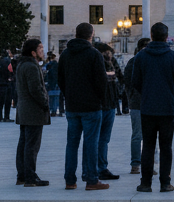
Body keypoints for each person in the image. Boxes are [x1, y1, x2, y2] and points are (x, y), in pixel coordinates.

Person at [130, 22, 174, 192]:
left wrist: (148, 91)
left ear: (152, 36)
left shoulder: (140, 56)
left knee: (148, 145)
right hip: (167, 107)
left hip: (147, 107)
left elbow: (135, 82)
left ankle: (146, 182)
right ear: (167, 37)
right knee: (166, 147)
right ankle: (165, 182)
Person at [58, 22, 109, 190]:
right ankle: (91, 179)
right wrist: (100, 100)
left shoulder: (65, 54)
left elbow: (61, 80)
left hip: (72, 106)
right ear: (91, 35)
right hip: (91, 106)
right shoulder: (94, 54)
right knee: (91, 143)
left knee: (71, 143)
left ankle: (70, 180)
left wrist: (69, 96)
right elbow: (101, 81)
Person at [14, 37, 51, 186]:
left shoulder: (22, 64)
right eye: (40, 48)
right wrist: (45, 103)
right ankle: (30, 176)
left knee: (24, 143)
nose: (43, 51)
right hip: (33, 111)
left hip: (25, 110)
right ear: (33, 52)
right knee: (32, 145)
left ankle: (22, 175)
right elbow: (35, 89)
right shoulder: (31, 66)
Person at [93, 43, 121, 182]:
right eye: (106, 53)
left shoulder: (112, 62)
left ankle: (101, 167)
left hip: (110, 104)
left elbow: (120, 77)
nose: (109, 56)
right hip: (99, 105)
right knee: (96, 139)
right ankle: (95, 169)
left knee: (104, 139)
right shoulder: (94, 62)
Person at [123, 38, 151, 175]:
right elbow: (127, 83)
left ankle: (149, 164)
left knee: (150, 136)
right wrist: (132, 97)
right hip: (137, 103)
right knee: (137, 135)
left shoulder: (151, 62)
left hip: (150, 103)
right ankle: (135, 163)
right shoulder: (133, 62)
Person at [0, 47, 16, 122]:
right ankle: (6, 117)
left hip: (0, 84)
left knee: (1, 102)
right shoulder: (8, 62)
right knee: (8, 101)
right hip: (7, 84)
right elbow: (11, 71)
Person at [44, 51, 61, 116]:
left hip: (50, 82)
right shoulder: (56, 65)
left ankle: (51, 109)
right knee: (55, 98)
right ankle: (54, 110)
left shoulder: (48, 65)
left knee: (51, 97)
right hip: (55, 82)